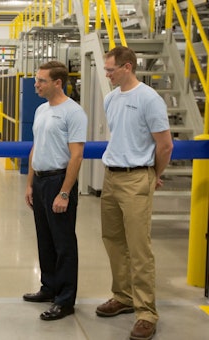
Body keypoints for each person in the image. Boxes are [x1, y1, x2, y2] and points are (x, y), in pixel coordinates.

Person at [96, 46, 173, 340]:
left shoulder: (149, 99)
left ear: (127, 67)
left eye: (110, 69)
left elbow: (165, 145)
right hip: (112, 177)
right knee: (113, 241)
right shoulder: (111, 99)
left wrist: (154, 174)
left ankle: (146, 312)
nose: (107, 74)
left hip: (136, 178)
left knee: (139, 248)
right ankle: (123, 296)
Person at [23, 61, 87, 321]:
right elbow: (35, 148)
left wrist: (64, 192)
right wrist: (29, 183)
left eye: (41, 80)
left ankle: (65, 299)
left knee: (63, 243)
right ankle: (49, 287)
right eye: (37, 79)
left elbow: (76, 156)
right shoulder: (41, 110)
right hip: (39, 181)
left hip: (58, 181)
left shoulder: (74, 112)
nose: (36, 84)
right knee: (45, 239)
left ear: (58, 83)